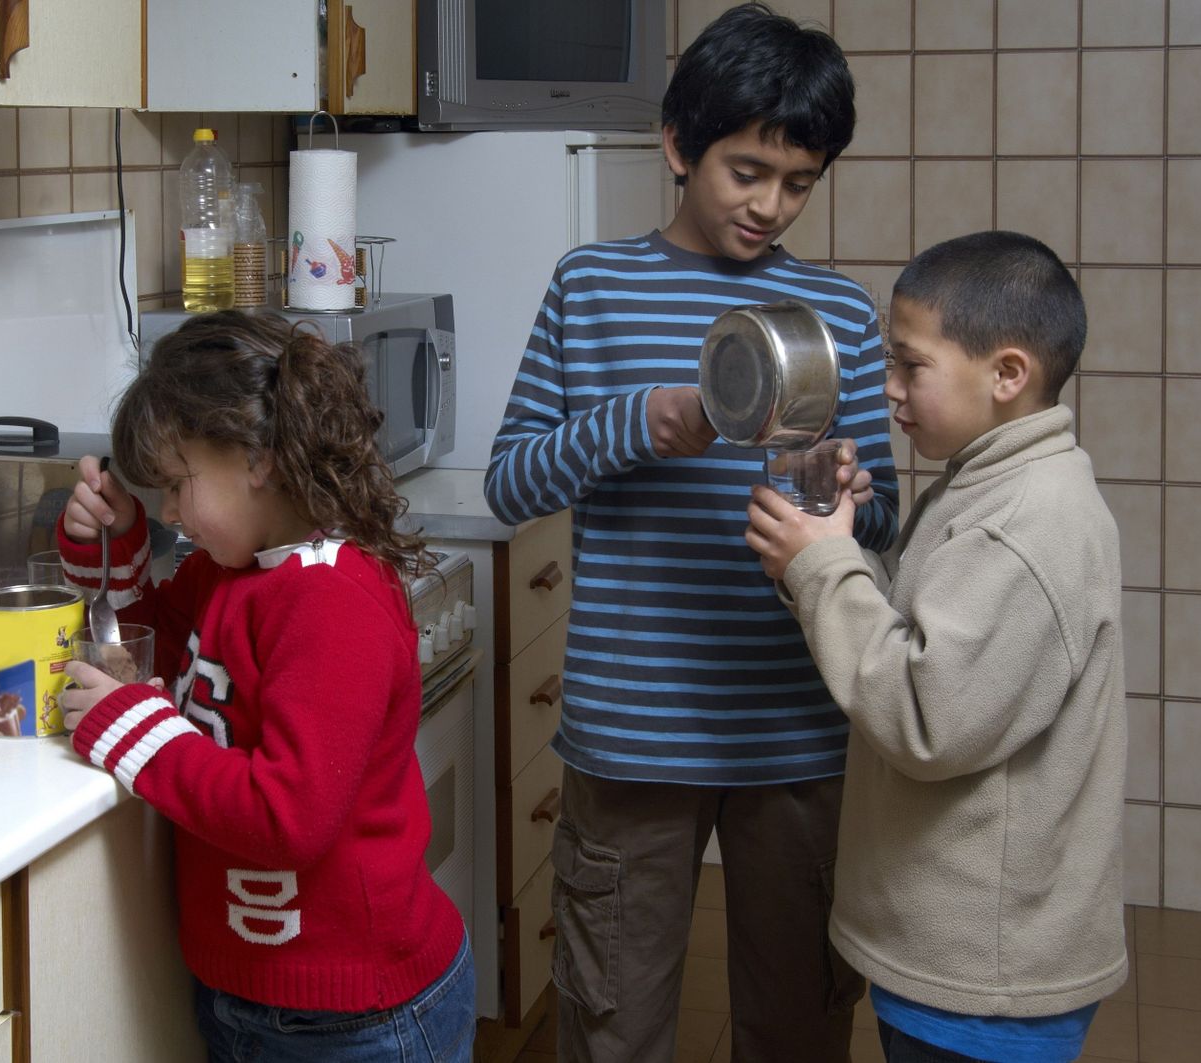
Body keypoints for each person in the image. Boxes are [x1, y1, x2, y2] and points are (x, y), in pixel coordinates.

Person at [482, 4, 899, 1060]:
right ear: (678, 146)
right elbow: (509, 486)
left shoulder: (839, 314)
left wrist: (848, 492)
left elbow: (885, 515)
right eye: (745, 171)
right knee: (613, 1024)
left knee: (799, 1024)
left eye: (798, 182)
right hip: (632, 732)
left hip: (796, 727)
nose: (769, 205)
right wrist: (637, 422)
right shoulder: (591, 287)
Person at [745, 230, 1127, 1063]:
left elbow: (926, 715)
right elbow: (924, 638)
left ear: (1007, 374)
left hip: (986, 982)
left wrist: (824, 566)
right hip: (960, 959)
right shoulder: (991, 480)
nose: (889, 387)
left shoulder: (1023, 523)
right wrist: (829, 545)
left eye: (911, 365)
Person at [56, 311, 474, 1062]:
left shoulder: (331, 599)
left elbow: (290, 815)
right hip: (253, 1000)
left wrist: (133, 730)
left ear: (256, 458)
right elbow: (150, 660)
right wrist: (116, 543)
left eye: (177, 484)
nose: (170, 512)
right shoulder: (230, 570)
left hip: (359, 1023)